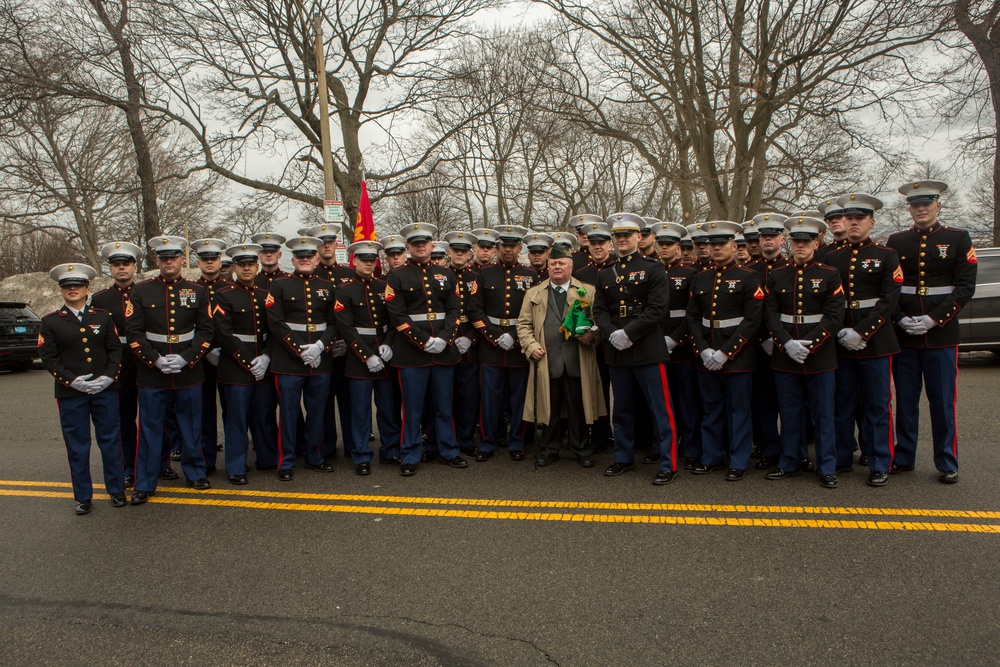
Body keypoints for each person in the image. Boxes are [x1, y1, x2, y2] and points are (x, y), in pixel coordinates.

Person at [887, 180, 977, 483]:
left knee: (942, 402)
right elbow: (890, 288)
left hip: (941, 336)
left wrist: (935, 319)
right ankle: (904, 456)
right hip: (905, 335)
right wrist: (899, 318)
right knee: (906, 401)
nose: (921, 209)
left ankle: (947, 461)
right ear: (909, 208)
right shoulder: (897, 242)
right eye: (915, 205)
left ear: (938, 205)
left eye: (926, 203)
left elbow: (965, 287)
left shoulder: (958, 238)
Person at [126, 236, 215, 504]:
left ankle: (195, 473)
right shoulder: (140, 291)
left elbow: (206, 331)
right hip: (152, 373)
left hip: (188, 371)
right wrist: (153, 359)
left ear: (181, 260)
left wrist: (188, 358)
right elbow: (133, 331)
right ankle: (145, 481)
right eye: (163, 258)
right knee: (150, 429)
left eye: (173, 257)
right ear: (157, 261)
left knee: (191, 427)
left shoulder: (197, 291)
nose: (168, 262)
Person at [593, 212, 677, 485]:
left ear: (639, 238)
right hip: (617, 350)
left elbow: (657, 309)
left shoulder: (654, 269)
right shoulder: (606, 273)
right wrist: (611, 334)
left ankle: (668, 463)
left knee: (660, 409)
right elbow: (600, 310)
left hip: (648, 349)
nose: (622, 240)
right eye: (617, 236)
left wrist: (629, 332)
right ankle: (623, 457)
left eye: (627, 236)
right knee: (623, 410)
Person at [824, 194, 901, 487]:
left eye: (860, 219)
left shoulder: (886, 255)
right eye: (849, 218)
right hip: (841, 342)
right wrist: (842, 331)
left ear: (871, 222)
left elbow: (889, 300)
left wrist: (863, 332)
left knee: (877, 405)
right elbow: (829, 303)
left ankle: (880, 461)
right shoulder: (832, 257)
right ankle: (842, 457)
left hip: (875, 343)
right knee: (842, 404)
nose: (853, 223)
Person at [39, 263, 126, 515]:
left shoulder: (103, 317)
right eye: (67, 286)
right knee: (77, 445)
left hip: (104, 390)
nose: (73, 289)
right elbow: (49, 357)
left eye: (77, 285)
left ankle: (116, 489)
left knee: (110, 441)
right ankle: (83, 496)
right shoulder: (51, 321)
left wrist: (110, 376)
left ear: (88, 289)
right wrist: (71, 380)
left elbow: (114, 349)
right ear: (61, 291)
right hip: (71, 393)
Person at [764, 216, 845, 488]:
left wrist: (811, 344)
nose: (800, 245)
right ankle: (790, 462)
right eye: (796, 240)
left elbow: (834, 316)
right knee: (789, 412)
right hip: (785, 352)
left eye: (806, 241)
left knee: (823, 414)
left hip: (819, 354)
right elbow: (771, 314)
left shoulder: (829, 273)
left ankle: (826, 467)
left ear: (816, 243)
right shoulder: (777, 275)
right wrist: (786, 343)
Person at [385, 222, 467, 476]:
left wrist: (444, 338)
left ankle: (449, 450)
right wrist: (423, 340)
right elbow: (397, 315)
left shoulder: (446, 274)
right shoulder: (396, 276)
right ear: (408, 247)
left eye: (425, 242)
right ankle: (410, 454)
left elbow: (455, 309)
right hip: (411, 353)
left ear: (432, 245)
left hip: (444, 350)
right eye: (415, 243)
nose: (421, 246)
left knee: (444, 406)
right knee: (413, 408)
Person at [686, 221, 763, 481]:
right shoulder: (701, 278)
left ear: (734, 245)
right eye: (712, 244)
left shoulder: (749, 277)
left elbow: (752, 320)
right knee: (711, 408)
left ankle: (738, 460)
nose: (717, 248)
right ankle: (712, 457)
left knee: (738, 410)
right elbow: (693, 318)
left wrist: (727, 352)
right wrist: (703, 350)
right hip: (707, 353)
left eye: (722, 244)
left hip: (737, 355)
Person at [517, 244, 605, 467]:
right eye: (553, 263)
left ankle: (582, 448)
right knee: (549, 408)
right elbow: (523, 325)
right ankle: (549, 448)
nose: (557, 267)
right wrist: (531, 346)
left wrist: (593, 336)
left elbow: (601, 322)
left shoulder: (587, 291)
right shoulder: (534, 293)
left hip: (578, 360)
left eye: (561, 263)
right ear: (547, 266)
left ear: (571, 266)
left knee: (579, 407)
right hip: (546, 359)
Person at [266, 236, 338, 481]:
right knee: (287, 413)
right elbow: (275, 322)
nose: (305, 260)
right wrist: (300, 349)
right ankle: (286, 461)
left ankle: (314, 456)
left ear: (317, 258)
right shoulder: (279, 285)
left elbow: (334, 322)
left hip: (320, 360)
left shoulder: (328, 286)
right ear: (293, 259)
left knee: (318, 411)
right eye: (300, 256)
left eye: (309, 256)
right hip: (288, 361)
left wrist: (319, 347)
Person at [469, 225, 539, 462]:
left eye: (513, 246)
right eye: (504, 246)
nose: (508, 250)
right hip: (492, 347)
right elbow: (475, 310)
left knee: (520, 399)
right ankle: (488, 441)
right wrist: (496, 336)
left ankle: (517, 441)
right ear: (498, 248)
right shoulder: (484, 274)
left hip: (520, 346)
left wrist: (518, 337)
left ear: (520, 248)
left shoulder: (531, 275)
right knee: (489, 398)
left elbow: (536, 313)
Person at [212, 244, 277, 484]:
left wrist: (267, 357)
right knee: (236, 420)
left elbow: (275, 329)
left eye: (251, 264)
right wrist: (249, 361)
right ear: (235, 268)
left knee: (263, 415)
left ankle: (267, 459)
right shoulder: (224, 295)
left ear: (258, 266)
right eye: (242, 265)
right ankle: (236, 467)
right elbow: (224, 333)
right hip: (236, 368)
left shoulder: (265, 295)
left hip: (263, 363)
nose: (247, 268)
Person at [335, 241, 401, 475]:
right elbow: (346, 328)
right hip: (358, 359)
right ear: (354, 261)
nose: (368, 264)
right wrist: (366, 355)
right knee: (360, 411)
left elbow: (395, 320)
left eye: (372, 260)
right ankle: (361, 455)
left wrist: (388, 344)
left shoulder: (385, 287)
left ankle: (391, 450)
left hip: (384, 354)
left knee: (387, 409)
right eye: (364, 260)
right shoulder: (344, 290)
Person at [90, 241, 143, 488]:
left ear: (134, 267)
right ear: (110, 269)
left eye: (126, 264)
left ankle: (160, 463)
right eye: (116, 265)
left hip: (145, 362)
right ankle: (128, 467)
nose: (121, 269)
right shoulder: (100, 299)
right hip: (118, 365)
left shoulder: (146, 292)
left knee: (157, 417)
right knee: (123, 419)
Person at [653, 221, 702, 469]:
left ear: (679, 247)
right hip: (654, 344)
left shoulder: (691, 274)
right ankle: (660, 447)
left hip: (681, 346)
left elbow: (692, 313)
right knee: (660, 402)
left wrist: (675, 339)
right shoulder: (650, 271)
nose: (664, 248)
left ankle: (691, 448)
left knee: (687, 402)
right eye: (660, 244)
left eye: (669, 244)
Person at [744, 214, 788, 470]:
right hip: (759, 345)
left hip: (788, 343)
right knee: (764, 401)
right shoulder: (750, 271)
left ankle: (796, 449)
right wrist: (763, 338)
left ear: (782, 239)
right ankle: (768, 447)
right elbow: (751, 311)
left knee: (791, 402)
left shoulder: (791, 267)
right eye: (763, 237)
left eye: (772, 236)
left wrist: (781, 338)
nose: (767, 240)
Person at [306, 223, 352, 461]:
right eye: (321, 242)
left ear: (336, 244)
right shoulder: (310, 278)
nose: (326, 246)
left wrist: (347, 342)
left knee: (349, 401)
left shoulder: (349, 274)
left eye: (330, 241)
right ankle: (326, 446)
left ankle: (353, 445)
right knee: (322, 403)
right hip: (320, 349)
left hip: (347, 350)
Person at [572, 221, 617, 452]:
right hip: (588, 341)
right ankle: (598, 434)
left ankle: (619, 434)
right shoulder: (580, 274)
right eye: (593, 243)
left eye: (602, 243)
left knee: (618, 390)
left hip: (613, 339)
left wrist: (601, 331)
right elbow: (578, 307)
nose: (597, 247)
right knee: (593, 388)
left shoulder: (618, 268)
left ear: (610, 245)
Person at [191, 237, 231, 473]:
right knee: (203, 411)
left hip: (228, 357)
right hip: (200, 359)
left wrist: (225, 351)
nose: (209, 263)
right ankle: (205, 459)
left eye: (213, 259)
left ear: (219, 261)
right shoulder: (190, 290)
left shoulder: (230, 289)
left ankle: (234, 458)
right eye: (204, 259)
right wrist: (204, 352)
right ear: (199, 263)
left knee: (231, 410)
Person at [446, 231, 481, 457]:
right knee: (444, 397)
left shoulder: (478, 277)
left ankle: (466, 438)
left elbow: (483, 312)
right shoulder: (438, 275)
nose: (459, 255)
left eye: (464, 251)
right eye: (455, 251)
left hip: (471, 342)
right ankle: (446, 437)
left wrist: (470, 337)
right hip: (445, 344)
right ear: (449, 252)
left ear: (470, 254)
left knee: (468, 397)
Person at [815, 198, 848, 262]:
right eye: (830, 219)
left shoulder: (858, 250)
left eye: (839, 217)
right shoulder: (820, 254)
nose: (834, 221)